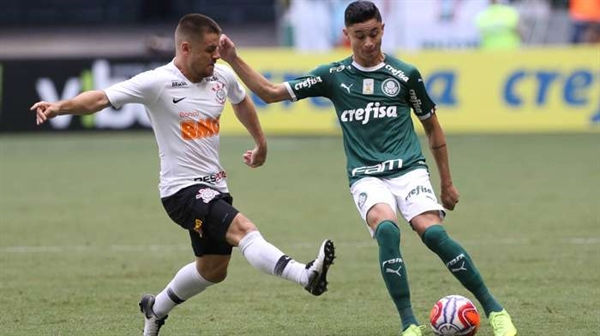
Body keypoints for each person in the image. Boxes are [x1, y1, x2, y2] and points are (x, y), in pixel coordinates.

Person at [218, 1, 517, 336]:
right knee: (387, 231)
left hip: (409, 169)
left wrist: (447, 182)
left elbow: (433, 127)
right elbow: (271, 93)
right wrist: (232, 58)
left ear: (382, 29)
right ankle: (409, 325)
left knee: (433, 234)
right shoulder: (332, 76)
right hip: (366, 175)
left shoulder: (406, 75)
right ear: (346, 35)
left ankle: (495, 309)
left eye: (374, 33)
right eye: (360, 36)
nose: (369, 43)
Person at [30, 13, 335, 336]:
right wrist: (59, 107)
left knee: (213, 269)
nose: (216, 55)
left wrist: (260, 143)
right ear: (186, 48)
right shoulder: (157, 82)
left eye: (218, 48)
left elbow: (242, 101)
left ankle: (155, 308)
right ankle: (305, 275)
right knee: (243, 229)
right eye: (210, 49)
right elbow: (101, 98)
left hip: (215, 187)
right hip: (180, 192)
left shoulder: (222, 76)